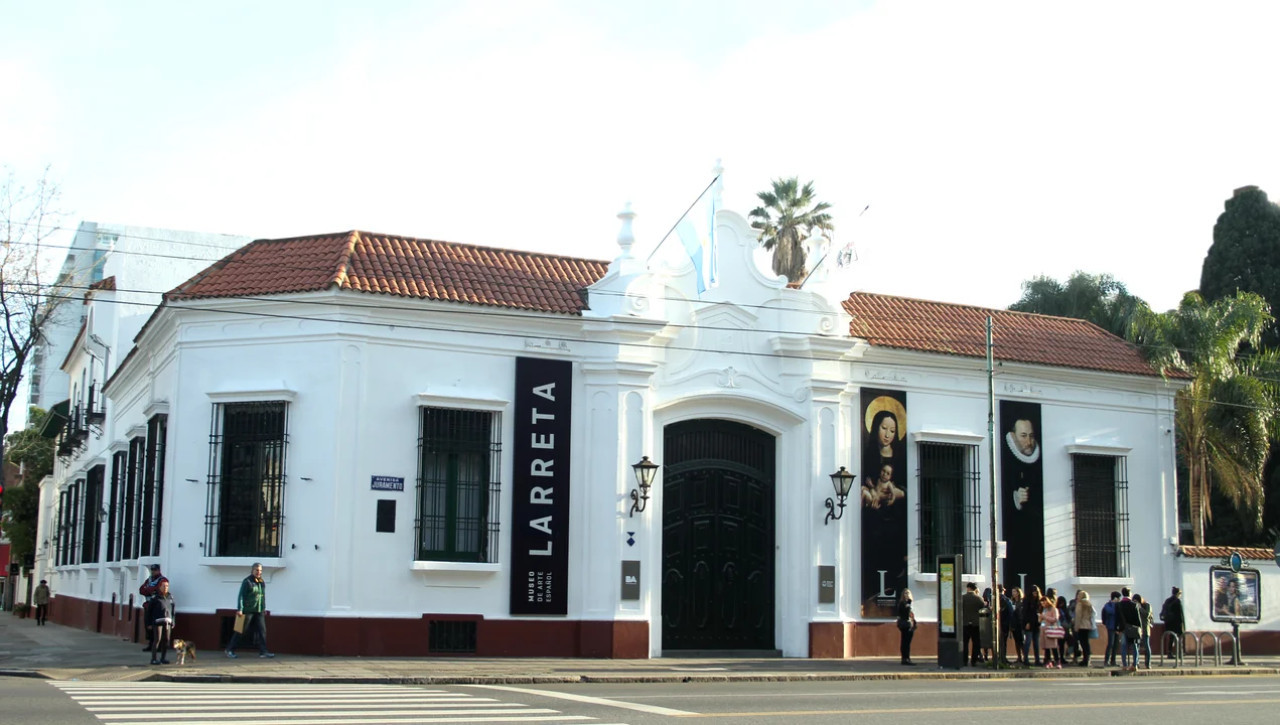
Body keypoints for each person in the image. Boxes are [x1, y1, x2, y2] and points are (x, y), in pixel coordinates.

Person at [226, 562, 274, 659]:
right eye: (257, 570)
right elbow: (241, 596)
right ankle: (230, 649)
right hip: (248, 609)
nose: (258, 572)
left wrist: (263, 608)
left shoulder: (261, 582)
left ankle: (263, 651)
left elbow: (262, 596)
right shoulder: (247, 581)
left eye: (260, 570)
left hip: (259, 610)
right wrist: (240, 609)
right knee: (241, 630)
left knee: (262, 631)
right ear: (252, 570)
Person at [139, 564, 169, 653]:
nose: (153, 571)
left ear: (159, 570)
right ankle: (150, 643)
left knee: (157, 627)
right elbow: (141, 590)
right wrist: (149, 590)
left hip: (157, 606)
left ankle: (159, 646)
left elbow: (158, 590)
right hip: (148, 605)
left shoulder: (163, 580)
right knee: (148, 625)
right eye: (152, 570)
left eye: (155, 570)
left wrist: (149, 589)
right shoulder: (149, 580)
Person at [145, 580, 176, 665]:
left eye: (167, 586)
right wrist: (149, 623)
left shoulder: (170, 597)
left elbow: (173, 610)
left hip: (168, 621)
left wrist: (173, 621)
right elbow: (149, 612)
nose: (165, 588)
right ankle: (154, 659)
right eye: (163, 586)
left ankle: (163, 658)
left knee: (166, 640)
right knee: (157, 639)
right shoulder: (155, 598)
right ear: (160, 587)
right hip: (157, 621)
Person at [1117, 587, 1140, 672]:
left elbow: (1117, 617)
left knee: (1123, 646)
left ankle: (1124, 665)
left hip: (1123, 628)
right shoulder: (1134, 604)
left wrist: (1118, 628)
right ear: (1129, 593)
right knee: (1134, 646)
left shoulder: (1119, 604)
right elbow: (1138, 619)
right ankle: (1134, 665)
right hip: (1133, 628)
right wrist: (1139, 628)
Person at [961, 582, 983, 666]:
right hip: (976, 624)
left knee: (965, 643)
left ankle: (964, 660)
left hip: (965, 623)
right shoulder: (978, 598)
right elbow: (982, 607)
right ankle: (974, 660)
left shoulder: (963, 598)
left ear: (968, 588)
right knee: (976, 642)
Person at [1021, 584, 1043, 666]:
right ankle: (1025, 659)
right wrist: (1027, 623)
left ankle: (1037, 660)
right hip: (1029, 623)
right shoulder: (1027, 600)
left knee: (1036, 643)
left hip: (1036, 624)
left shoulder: (1039, 601)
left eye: (1036, 592)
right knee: (1028, 642)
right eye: (1034, 592)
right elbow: (1025, 613)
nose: (1035, 594)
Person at [1160, 587, 1185, 659]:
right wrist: (1183, 625)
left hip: (1168, 623)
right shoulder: (1177, 601)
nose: (1180, 595)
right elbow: (1180, 614)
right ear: (1177, 594)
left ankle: (1169, 652)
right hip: (1177, 623)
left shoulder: (1167, 600)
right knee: (1180, 638)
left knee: (1171, 638)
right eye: (1180, 593)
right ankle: (1180, 653)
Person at [1039, 596, 1063, 668]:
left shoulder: (1053, 609)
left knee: (1053, 647)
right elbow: (1042, 620)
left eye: (1044, 602)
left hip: (1051, 630)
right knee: (1046, 648)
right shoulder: (1044, 609)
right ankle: (1048, 661)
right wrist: (1040, 618)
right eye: (1042, 602)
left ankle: (1058, 662)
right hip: (1044, 630)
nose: (1043, 603)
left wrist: (1045, 617)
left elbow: (1055, 619)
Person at [1074, 590, 1095, 667]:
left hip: (1081, 626)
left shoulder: (1080, 604)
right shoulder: (1089, 604)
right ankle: (1088, 659)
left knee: (1083, 643)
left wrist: (1076, 627)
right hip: (1088, 625)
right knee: (1086, 643)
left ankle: (1085, 660)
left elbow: (1078, 616)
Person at [896, 588, 917, 666]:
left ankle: (907, 658)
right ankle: (905, 658)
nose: (907, 595)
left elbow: (912, 614)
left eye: (908, 593)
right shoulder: (902, 603)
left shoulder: (910, 603)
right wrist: (908, 604)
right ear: (903, 595)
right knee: (905, 642)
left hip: (910, 624)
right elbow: (905, 613)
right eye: (905, 593)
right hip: (905, 624)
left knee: (908, 642)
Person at [1005, 586, 1024, 665]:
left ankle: (1024, 656)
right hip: (1013, 624)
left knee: (1021, 641)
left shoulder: (1021, 602)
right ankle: (1019, 657)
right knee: (1016, 641)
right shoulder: (1012, 602)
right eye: (1012, 592)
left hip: (1020, 624)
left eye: (1015, 592)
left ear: (1018, 592)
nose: (1013, 593)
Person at [1101, 590, 1121, 666]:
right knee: (1110, 644)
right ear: (1115, 598)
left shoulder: (1118, 605)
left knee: (1116, 644)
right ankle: (1106, 660)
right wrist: (1114, 604)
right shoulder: (1108, 605)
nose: (1119, 600)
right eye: (1118, 598)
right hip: (1110, 626)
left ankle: (1113, 661)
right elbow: (1111, 612)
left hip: (1117, 627)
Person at [1134, 593, 1153, 669]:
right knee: (1137, 646)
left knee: (1146, 646)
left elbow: (1147, 614)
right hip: (1138, 629)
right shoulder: (1135, 607)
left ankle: (1148, 663)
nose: (1136, 603)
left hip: (1145, 629)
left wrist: (1140, 608)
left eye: (1136, 601)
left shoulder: (1147, 605)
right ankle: (1137, 662)